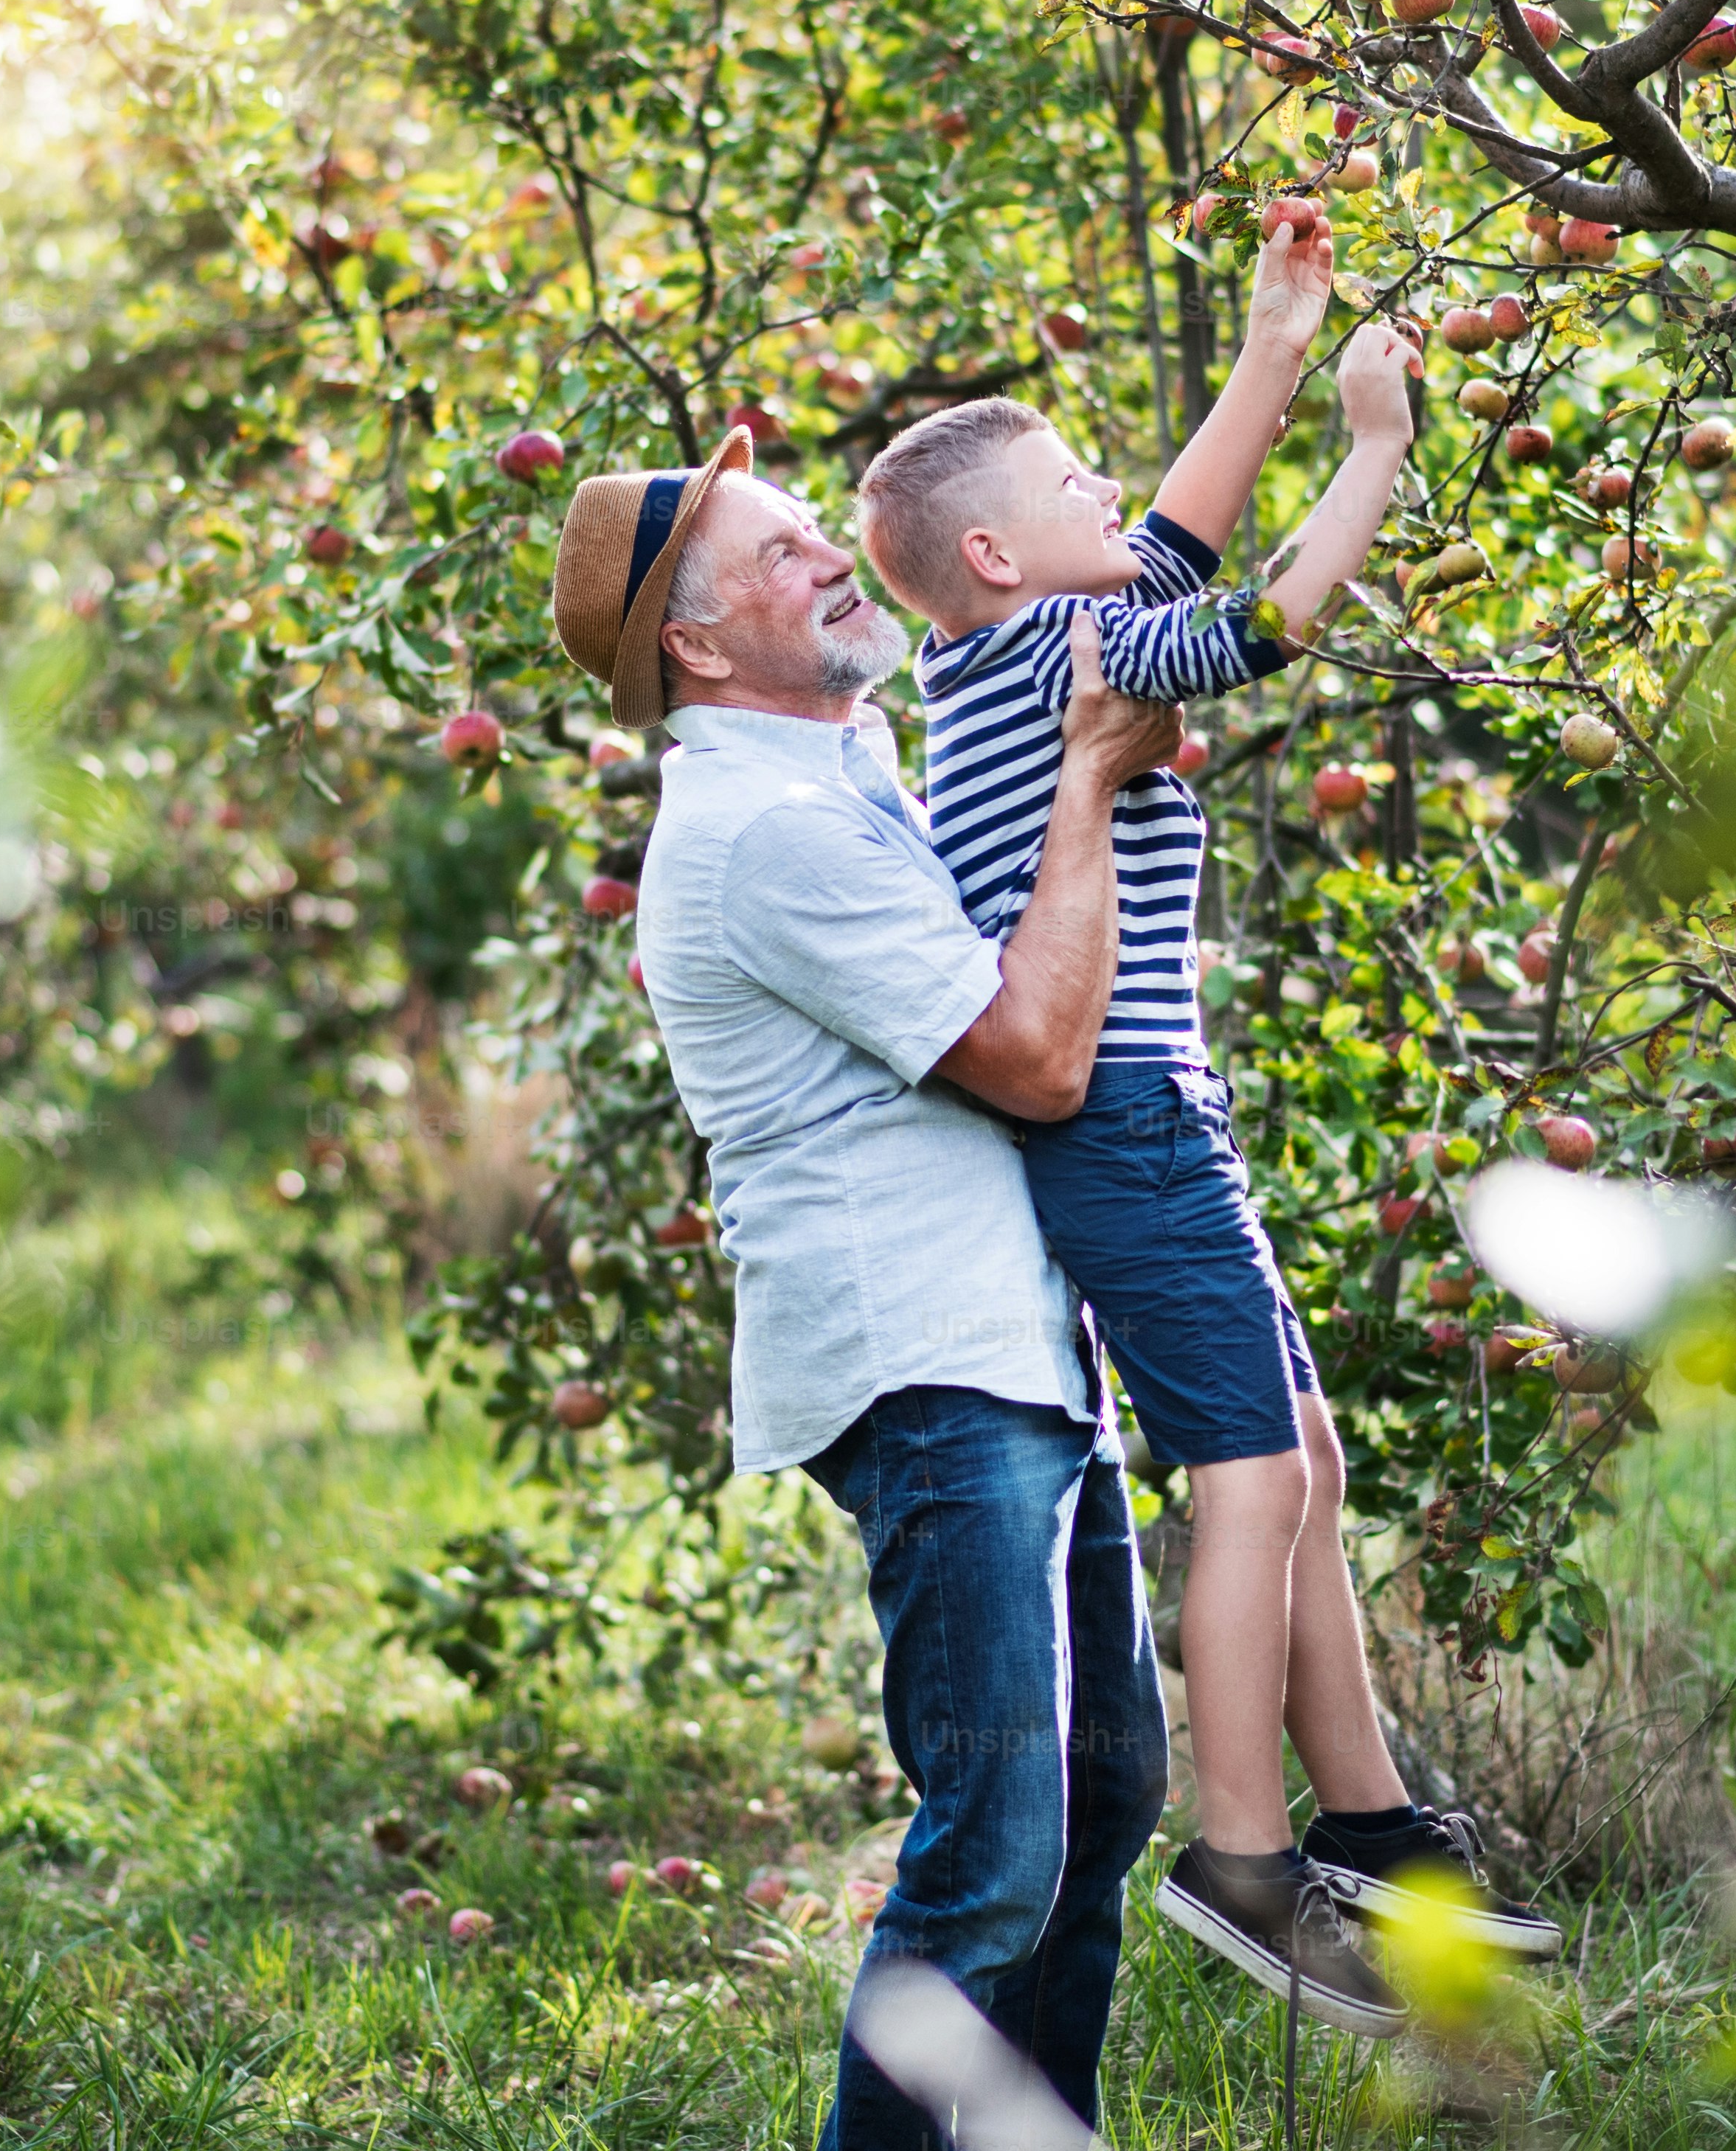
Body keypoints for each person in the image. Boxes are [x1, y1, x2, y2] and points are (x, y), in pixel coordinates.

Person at [848, 215, 1559, 2034]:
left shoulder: (1002, 653)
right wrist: (1373, 439)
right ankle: (1247, 1856)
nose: (1124, 495)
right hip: (1135, 1128)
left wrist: (1270, 342)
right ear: (1001, 552)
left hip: (1161, 1123)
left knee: (1298, 1447)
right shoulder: (1061, 652)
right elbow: (1265, 611)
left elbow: (1169, 538)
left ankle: (1380, 1818)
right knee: (1248, 1470)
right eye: (1076, 476)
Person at [548, 429, 1184, 2151]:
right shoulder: (760, 832)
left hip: (1020, 1352)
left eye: (822, 531)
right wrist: (1088, 776)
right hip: (930, 1370)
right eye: (783, 554)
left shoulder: (847, 766)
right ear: (694, 646)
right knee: (992, 1851)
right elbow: (1039, 1059)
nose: (834, 559)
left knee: (1104, 1797)